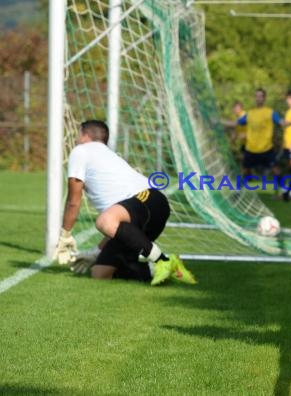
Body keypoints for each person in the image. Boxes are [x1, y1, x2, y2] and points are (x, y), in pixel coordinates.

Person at [52, 120, 197, 286]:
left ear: (85, 135)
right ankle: (161, 270)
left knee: (104, 221)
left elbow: (73, 201)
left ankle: (163, 261)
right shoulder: (107, 156)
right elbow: (120, 227)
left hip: (148, 198)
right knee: (100, 272)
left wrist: (65, 234)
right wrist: (95, 252)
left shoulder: (80, 151)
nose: (76, 139)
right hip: (152, 209)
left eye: (78, 135)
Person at [236, 88, 282, 177]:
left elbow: (281, 122)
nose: (258, 98)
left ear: (264, 98)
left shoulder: (270, 112)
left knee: (275, 168)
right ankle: (240, 189)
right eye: (256, 96)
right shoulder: (250, 113)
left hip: (266, 148)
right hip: (251, 148)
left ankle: (285, 188)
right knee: (245, 170)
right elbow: (236, 123)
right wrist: (218, 121)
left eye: (260, 96)